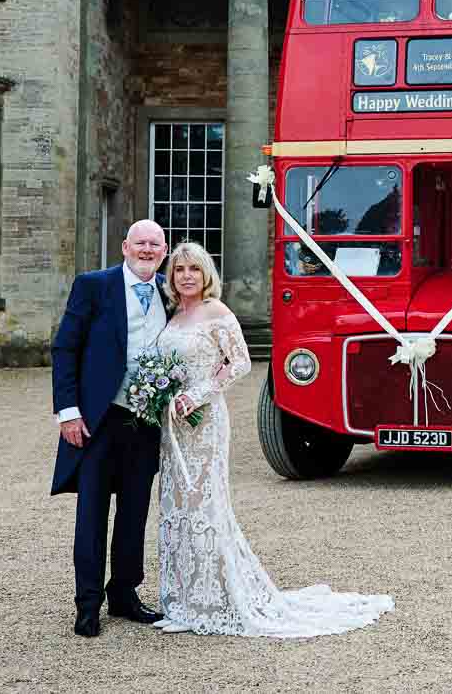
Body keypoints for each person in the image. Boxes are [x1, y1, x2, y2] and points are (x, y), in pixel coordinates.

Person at [151, 241, 395, 637]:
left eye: (194, 269)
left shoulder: (217, 311)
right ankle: (182, 599)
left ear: (205, 274)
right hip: (173, 424)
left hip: (204, 420)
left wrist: (196, 395)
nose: (187, 276)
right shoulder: (175, 314)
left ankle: (213, 600)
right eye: (179, 270)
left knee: (204, 507)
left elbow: (241, 362)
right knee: (175, 507)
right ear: (172, 277)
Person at [49, 219, 171, 637]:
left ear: (164, 249)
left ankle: (124, 594)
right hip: (97, 421)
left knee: (134, 512)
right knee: (92, 514)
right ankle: (87, 603)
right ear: (124, 246)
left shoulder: (170, 292)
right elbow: (65, 347)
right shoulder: (93, 285)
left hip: (146, 422)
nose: (147, 249)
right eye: (140, 242)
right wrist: (68, 411)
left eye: (155, 243)